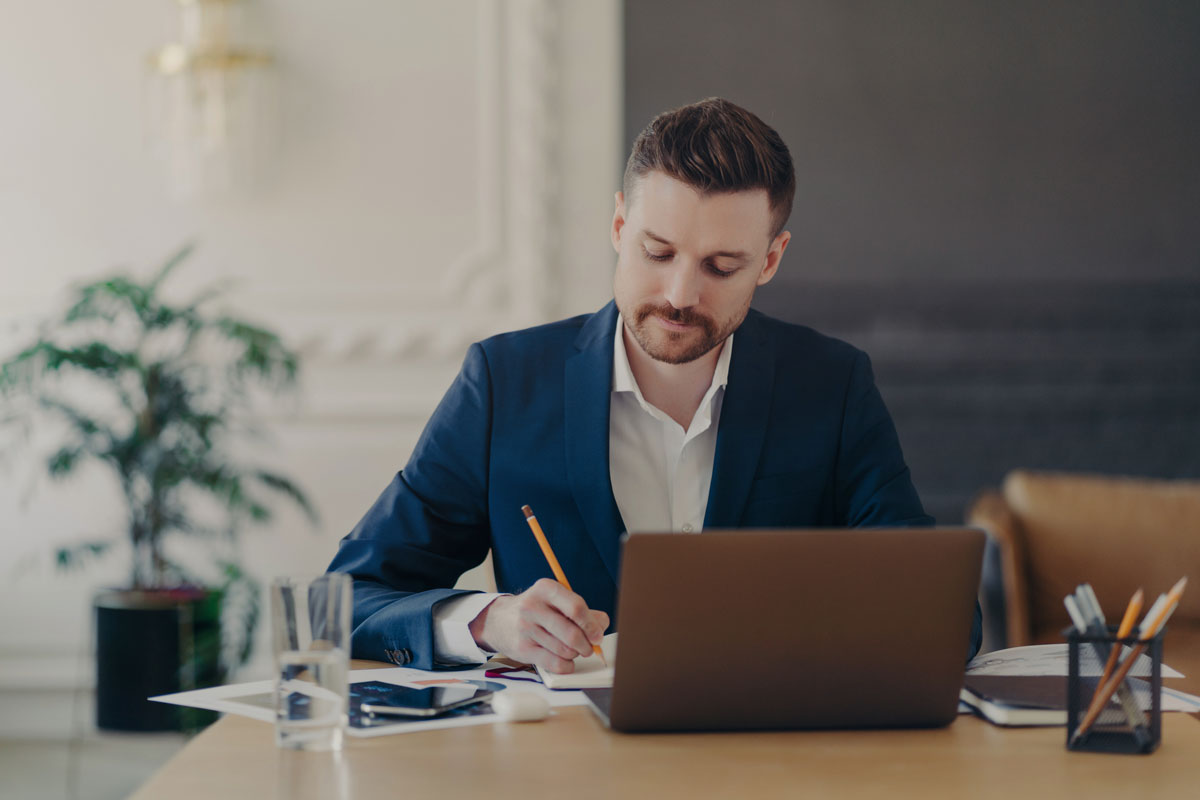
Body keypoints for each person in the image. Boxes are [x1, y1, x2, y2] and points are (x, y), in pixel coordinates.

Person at [328, 97, 982, 673]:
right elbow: (346, 599)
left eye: (721, 266)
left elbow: (946, 616)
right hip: (569, 756)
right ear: (619, 227)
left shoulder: (832, 385)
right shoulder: (504, 384)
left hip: (772, 751)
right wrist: (486, 622)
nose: (679, 294)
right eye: (657, 252)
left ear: (771, 259)